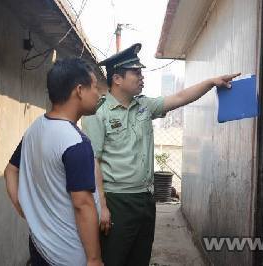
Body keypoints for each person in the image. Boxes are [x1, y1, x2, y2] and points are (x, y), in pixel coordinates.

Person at [82, 43, 239, 266]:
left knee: (140, 258)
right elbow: (93, 161)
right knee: (114, 259)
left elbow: (180, 97)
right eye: (136, 72)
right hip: (118, 200)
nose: (141, 77)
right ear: (117, 79)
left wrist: (210, 82)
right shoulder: (98, 113)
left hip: (146, 199)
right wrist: (103, 206)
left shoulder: (144, 106)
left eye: (141, 72)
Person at [4, 58, 103, 266]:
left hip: (39, 246)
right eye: (94, 87)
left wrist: (22, 207)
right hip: (68, 256)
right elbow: (82, 205)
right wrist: (94, 259)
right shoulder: (75, 142)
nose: (99, 93)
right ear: (79, 90)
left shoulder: (36, 128)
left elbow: (10, 171)